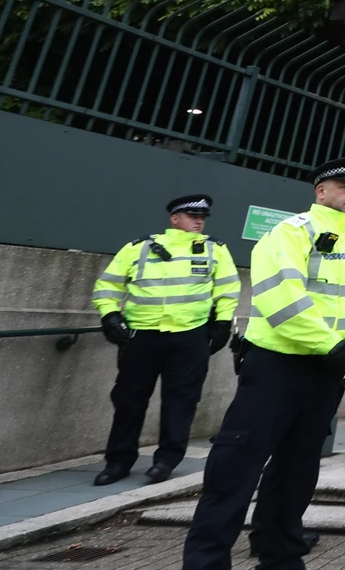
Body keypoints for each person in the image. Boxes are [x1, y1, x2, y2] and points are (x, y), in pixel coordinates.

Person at [183, 157, 345, 570]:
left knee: (297, 470)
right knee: (236, 468)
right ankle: (206, 561)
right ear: (321, 191)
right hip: (277, 365)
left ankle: (280, 554)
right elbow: (283, 302)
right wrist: (338, 353)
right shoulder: (291, 233)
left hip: (326, 370)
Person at [91, 194, 240, 486]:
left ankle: (166, 461)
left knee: (181, 402)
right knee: (128, 401)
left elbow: (228, 290)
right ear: (175, 218)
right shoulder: (139, 248)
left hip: (190, 336)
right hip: (141, 336)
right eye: (192, 215)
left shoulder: (214, 250)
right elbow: (107, 285)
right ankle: (118, 461)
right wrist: (110, 316)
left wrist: (222, 323)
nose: (199, 221)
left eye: (203, 217)